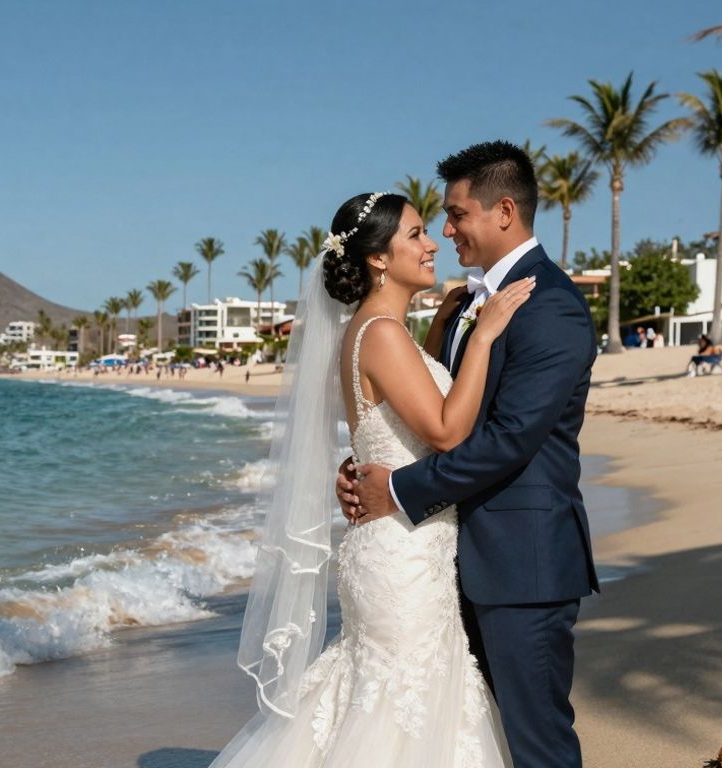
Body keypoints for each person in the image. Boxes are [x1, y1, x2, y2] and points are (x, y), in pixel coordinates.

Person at [214, 185, 537, 767]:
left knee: (392, 706)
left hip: (403, 548)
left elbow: (400, 412)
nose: (433, 241)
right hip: (402, 557)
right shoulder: (382, 335)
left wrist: (442, 327)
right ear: (378, 258)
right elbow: (444, 432)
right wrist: (485, 333)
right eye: (415, 234)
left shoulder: (376, 332)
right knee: (399, 711)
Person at [341, 141, 599, 768]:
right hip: (450, 560)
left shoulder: (551, 308)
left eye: (455, 215)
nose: (445, 231)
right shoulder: (463, 306)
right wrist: (361, 467)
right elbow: (422, 416)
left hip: (523, 564)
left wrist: (397, 489)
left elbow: (509, 438)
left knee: (536, 741)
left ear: (503, 211)